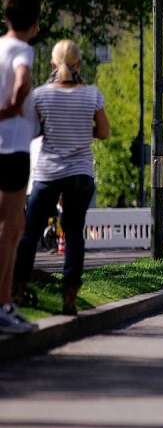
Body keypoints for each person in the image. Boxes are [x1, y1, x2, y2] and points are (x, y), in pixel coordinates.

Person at [11, 39, 109, 317]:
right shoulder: (92, 94)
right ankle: (69, 298)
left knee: (31, 232)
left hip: (48, 172)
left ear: (53, 64)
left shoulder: (40, 95)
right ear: (79, 64)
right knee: (75, 233)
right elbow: (103, 132)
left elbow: (30, 132)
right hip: (80, 173)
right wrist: (80, 131)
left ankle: (18, 289)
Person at [0, 0, 40, 333]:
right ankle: (3, 305)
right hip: (13, 148)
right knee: (12, 229)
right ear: (35, 24)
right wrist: (11, 110)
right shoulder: (22, 50)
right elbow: (22, 83)